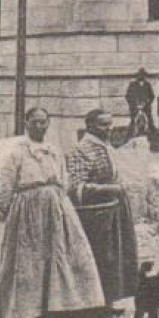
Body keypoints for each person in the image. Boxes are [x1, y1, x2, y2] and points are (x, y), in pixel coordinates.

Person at [0, 107, 111, 318]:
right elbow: (6, 185)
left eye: (43, 122)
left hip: (57, 208)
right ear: (26, 123)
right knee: (31, 266)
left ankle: (80, 317)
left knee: (73, 259)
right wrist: (9, 211)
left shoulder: (54, 151)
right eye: (35, 122)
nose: (40, 127)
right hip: (28, 212)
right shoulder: (17, 153)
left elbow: (65, 180)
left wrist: (61, 203)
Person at [65, 108, 141, 307]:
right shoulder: (81, 150)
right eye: (103, 125)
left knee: (116, 257)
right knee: (100, 258)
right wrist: (110, 188)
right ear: (89, 126)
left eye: (110, 124)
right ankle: (95, 307)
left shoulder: (106, 146)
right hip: (95, 214)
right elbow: (76, 188)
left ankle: (109, 302)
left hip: (114, 209)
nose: (109, 129)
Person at [125, 68, 156, 137]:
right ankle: (130, 135)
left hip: (146, 107)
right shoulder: (132, 85)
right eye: (140, 75)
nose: (141, 77)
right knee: (134, 121)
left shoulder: (147, 85)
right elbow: (128, 96)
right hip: (135, 107)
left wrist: (146, 103)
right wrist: (134, 104)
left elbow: (152, 96)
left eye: (143, 75)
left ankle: (152, 134)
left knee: (149, 120)